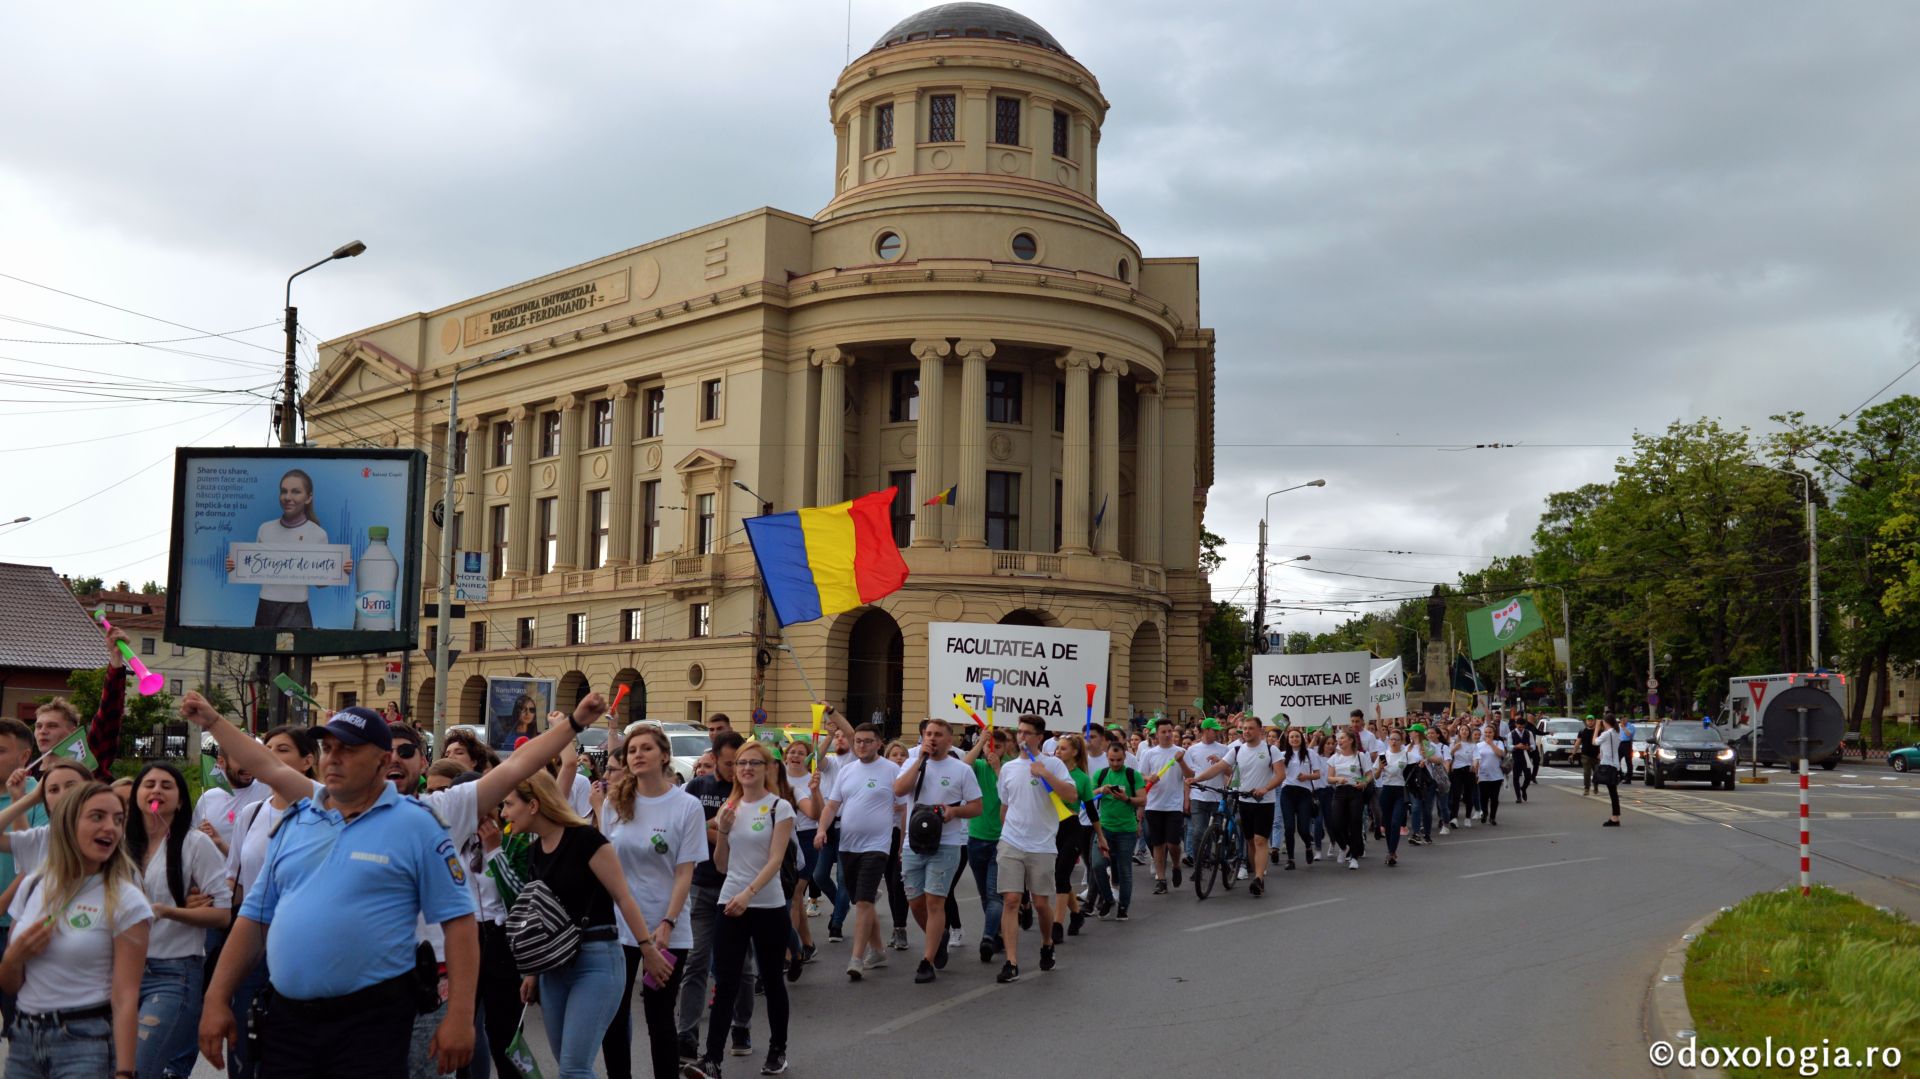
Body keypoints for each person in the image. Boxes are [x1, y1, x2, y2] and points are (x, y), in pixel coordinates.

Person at [195, 705, 478, 1079]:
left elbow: (459, 924)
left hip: (370, 1020)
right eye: (328, 748)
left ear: (382, 760)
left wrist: (460, 1015)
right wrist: (216, 997)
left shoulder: (418, 825)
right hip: (288, 1017)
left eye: (348, 749)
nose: (333, 758)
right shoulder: (295, 822)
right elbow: (254, 917)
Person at [501, 770, 670, 1079]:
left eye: (509, 804)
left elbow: (624, 898)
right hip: (553, 969)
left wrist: (648, 949)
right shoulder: (535, 851)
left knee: (573, 1069)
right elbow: (541, 919)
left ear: (534, 805)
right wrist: (533, 974)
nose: (504, 813)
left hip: (597, 960)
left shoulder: (585, 839)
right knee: (568, 1064)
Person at [0, 780, 150, 1079]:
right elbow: (10, 985)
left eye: (118, 820)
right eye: (97, 817)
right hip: (24, 1040)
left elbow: (125, 997)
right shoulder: (32, 885)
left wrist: (124, 1072)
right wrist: (13, 959)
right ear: (68, 823)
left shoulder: (127, 899)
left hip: (86, 1041)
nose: (111, 827)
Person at [599, 724, 704, 1079]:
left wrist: (668, 922)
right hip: (618, 929)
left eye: (646, 748)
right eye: (631, 750)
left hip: (667, 932)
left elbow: (683, 873)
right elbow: (604, 866)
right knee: (613, 1015)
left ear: (664, 755)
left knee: (659, 1018)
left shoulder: (686, 806)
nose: (638, 755)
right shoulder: (614, 802)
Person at [689, 741, 793, 1078]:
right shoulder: (729, 808)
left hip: (767, 904)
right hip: (730, 901)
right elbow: (721, 866)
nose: (747, 768)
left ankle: (778, 1050)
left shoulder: (779, 807)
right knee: (726, 981)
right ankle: (712, 1058)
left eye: (754, 763)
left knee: (772, 980)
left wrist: (749, 894)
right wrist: (723, 832)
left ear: (767, 768)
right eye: (742, 763)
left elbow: (775, 860)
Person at [222, 725, 317, 1079]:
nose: (270, 756)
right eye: (267, 748)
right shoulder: (252, 813)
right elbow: (234, 878)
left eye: (282, 750)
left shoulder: (326, 812)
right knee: (243, 1049)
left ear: (308, 761)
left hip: (301, 948)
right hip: (252, 944)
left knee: (290, 1051)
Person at [126, 763, 232, 1079]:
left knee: (139, 1068)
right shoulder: (118, 843)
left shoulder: (194, 843)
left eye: (167, 785)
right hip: (120, 972)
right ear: (135, 796)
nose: (156, 790)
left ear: (181, 800)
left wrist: (169, 911)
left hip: (173, 974)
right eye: (149, 784)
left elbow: (222, 915)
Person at [676, 730, 755, 1062]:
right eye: (728, 763)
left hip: (738, 888)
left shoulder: (750, 794)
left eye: (739, 762)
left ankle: (742, 1025)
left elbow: (747, 837)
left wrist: (715, 829)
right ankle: (686, 1036)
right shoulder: (697, 787)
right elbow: (688, 829)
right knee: (695, 962)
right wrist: (717, 829)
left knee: (742, 967)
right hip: (702, 885)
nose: (735, 769)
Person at [890, 719, 980, 984]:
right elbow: (898, 790)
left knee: (934, 900)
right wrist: (920, 762)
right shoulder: (912, 763)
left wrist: (954, 811)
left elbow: (976, 807)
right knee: (915, 902)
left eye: (938, 735)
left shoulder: (961, 770)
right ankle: (938, 935)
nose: (932, 738)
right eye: (928, 734)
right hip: (913, 844)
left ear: (949, 740)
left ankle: (926, 960)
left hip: (947, 843)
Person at [993, 715, 1078, 983]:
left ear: (1039, 737)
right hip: (1011, 841)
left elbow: (1071, 795)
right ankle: (1011, 961)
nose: (1022, 738)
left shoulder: (1053, 763)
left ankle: (1046, 943)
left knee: (1041, 903)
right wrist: (1006, 830)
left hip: (1042, 844)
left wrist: (1045, 773)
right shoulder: (1008, 768)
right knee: (1011, 901)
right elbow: (1004, 805)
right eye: (1019, 733)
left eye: (1028, 733)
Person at [812, 722, 899, 981]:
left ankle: (856, 958)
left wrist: (904, 842)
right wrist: (821, 829)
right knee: (862, 901)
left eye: (867, 741)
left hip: (878, 846)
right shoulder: (847, 771)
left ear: (879, 743)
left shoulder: (892, 770)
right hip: (847, 845)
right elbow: (831, 806)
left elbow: (905, 807)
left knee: (862, 902)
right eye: (858, 741)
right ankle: (879, 950)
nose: (861, 745)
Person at [223, 468, 352, 629]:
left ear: (308, 498)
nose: (287, 497)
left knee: (299, 653)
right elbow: (252, 570)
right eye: (284, 491)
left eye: (296, 492)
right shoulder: (265, 529)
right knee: (264, 652)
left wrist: (339, 570)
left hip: (297, 609)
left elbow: (320, 583)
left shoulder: (318, 534)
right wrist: (234, 566)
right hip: (266, 608)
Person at [1189, 714, 1279, 895]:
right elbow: (1218, 768)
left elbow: (1280, 774)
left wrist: (1265, 788)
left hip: (1264, 801)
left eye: (1250, 728)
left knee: (1260, 840)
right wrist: (1196, 779)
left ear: (1260, 731)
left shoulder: (1271, 750)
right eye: (1244, 728)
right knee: (1250, 842)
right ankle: (1253, 870)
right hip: (1244, 800)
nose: (1246, 731)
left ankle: (1259, 879)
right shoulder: (1237, 750)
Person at [31, 622, 129, 781]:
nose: (42, 731)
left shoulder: (86, 762)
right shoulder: (25, 775)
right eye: (38, 726)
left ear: (73, 731)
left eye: (52, 725)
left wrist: (116, 659)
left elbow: (109, 713)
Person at [0, 717, 43, 1034]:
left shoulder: (41, 795)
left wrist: (3, 902)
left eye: (0, 750)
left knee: (20, 1025)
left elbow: (37, 860)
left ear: (24, 757)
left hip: (15, 925)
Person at [960, 728, 1009, 963]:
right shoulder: (978, 767)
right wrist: (981, 743)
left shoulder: (1008, 768)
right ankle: (997, 931)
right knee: (984, 894)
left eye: (998, 747)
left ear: (1006, 748)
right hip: (976, 838)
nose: (993, 751)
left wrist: (998, 767)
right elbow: (963, 766)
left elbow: (1011, 792)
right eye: (992, 747)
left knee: (994, 894)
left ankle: (988, 937)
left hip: (1002, 840)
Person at [1047, 733, 1096, 937]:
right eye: (1057, 748)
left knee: (1061, 875)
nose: (1058, 751)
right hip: (1050, 828)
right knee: (1058, 876)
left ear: (1075, 752)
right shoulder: (1049, 771)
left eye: (1063, 748)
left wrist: (1100, 837)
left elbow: (1091, 810)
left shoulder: (1082, 778)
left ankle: (1057, 924)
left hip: (1072, 827)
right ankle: (1076, 913)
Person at [1088, 740, 1142, 919]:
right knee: (1097, 865)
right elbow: (1088, 795)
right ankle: (1108, 899)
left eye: (1119, 760)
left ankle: (1123, 906)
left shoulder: (1133, 775)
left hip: (1126, 830)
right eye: (1112, 760)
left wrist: (1126, 799)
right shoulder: (1101, 774)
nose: (1115, 764)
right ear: (1107, 757)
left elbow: (1143, 800)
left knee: (1124, 869)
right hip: (1104, 829)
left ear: (1124, 757)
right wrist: (1101, 790)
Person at [1135, 721, 1190, 895]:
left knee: (1173, 844)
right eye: (1163, 731)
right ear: (1156, 734)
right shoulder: (1149, 753)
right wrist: (1148, 777)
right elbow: (1139, 776)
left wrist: (1181, 763)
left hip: (1174, 805)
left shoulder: (1181, 753)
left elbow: (1190, 776)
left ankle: (1175, 865)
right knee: (1158, 844)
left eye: (1170, 731)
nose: (1167, 734)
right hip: (1154, 804)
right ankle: (1161, 879)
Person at [193, 746, 269, 858]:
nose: (248, 766)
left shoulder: (268, 789)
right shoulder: (208, 798)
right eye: (241, 760)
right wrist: (200, 835)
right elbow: (193, 839)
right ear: (221, 762)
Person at [1180, 719, 1228, 870]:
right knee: (1198, 833)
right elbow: (1187, 776)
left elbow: (1230, 773)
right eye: (1215, 730)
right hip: (1198, 797)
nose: (1218, 732)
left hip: (1217, 797)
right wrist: (1186, 798)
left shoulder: (1223, 749)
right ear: (1206, 730)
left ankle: (1218, 860)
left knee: (1217, 834)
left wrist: (1220, 762)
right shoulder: (1192, 750)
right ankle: (1198, 866)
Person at [1323, 730, 1369, 870]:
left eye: (1342, 738)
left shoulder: (1360, 756)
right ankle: (1344, 847)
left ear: (1350, 740)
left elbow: (1368, 774)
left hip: (1355, 791)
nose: (1339, 741)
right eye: (1339, 739)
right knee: (1335, 824)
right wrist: (1338, 779)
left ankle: (1354, 857)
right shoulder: (1334, 758)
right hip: (1340, 791)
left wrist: (1363, 782)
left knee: (1355, 823)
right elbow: (1329, 778)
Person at [1276, 726, 1320, 871]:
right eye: (1291, 737)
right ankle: (1291, 859)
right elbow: (1273, 771)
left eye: (1297, 736)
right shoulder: (1282, 755)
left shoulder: (1310, 754)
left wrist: (1306, 776)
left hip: (1304, 793)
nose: (1294, 739)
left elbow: (1318, 774)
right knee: (1289, 827)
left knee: (1302, 828)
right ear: (1287, 740)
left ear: (1302, 739)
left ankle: (1308, 846)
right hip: (1287, 791)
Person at [1373, 731, 1419, 868]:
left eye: (1397, 739)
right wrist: (1380, 769)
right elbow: (1375, 776)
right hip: (1386, 790)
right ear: (1388, 741)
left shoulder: (1407, 755)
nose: (1394, 742)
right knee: (1387, 824)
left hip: (1401, 791)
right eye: (1392, 739)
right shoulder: (1383, 756)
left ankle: (1392, 851)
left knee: (1395, 823)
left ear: (1401, 741)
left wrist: (1421, 764)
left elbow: (1417, 767)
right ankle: (1391, 851)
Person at [1475, 725, 1508, 826]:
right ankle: (1484, 813)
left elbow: (1501, 754)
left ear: (1494, 733)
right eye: (1486, 732)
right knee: (1483, 797)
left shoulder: (1499, 743)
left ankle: (1492, 817)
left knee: (1494, 798)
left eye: (1490, 732)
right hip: (1482, 774)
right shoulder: (1479, 745)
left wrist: (1491, 744)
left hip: (1496, 774)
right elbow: (1475, 758)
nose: (1488, 734)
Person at [1596, 716, 1623, 827]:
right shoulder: (1616, 733)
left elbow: (1595, 742)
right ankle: (1615, 816)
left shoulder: (1607, 734)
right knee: (1613, 792)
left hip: (1608, 765)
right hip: (1615, 765)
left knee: (1613, 793)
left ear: (1606, 723)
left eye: (1603, 722)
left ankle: (1615, 818)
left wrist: (1597, 728)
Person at [1508, 713, 1536, 803]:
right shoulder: (1511, 734)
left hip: (1526, 757)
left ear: (1524, 725)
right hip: (1516, 757)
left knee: (1528, 776)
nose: (1520, 728)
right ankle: (1518, 797)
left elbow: (1533, 745)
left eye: (1522, 727)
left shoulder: (1529, 733)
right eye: (1518, 726)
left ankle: (1523, 788)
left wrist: (1529, 747)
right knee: (1515, 777)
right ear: (1516, 725)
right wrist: (1516, 746)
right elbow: (1508, 746)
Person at [1578, 715, 1599, 795]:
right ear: (1586, 721)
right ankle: (1587, 788)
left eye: (1591, 720)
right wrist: (1573, 753)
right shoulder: (1582, 731)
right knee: (1587, 773)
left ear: (1594, 721)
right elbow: (1578, 742)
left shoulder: (1598, 731)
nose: (1590, 722)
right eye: (1588, 720)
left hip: (1596, 756)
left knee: (1596, 773)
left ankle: (1596, 786)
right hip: (1585, 755)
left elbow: (1602, 743)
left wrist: (1601, 753)